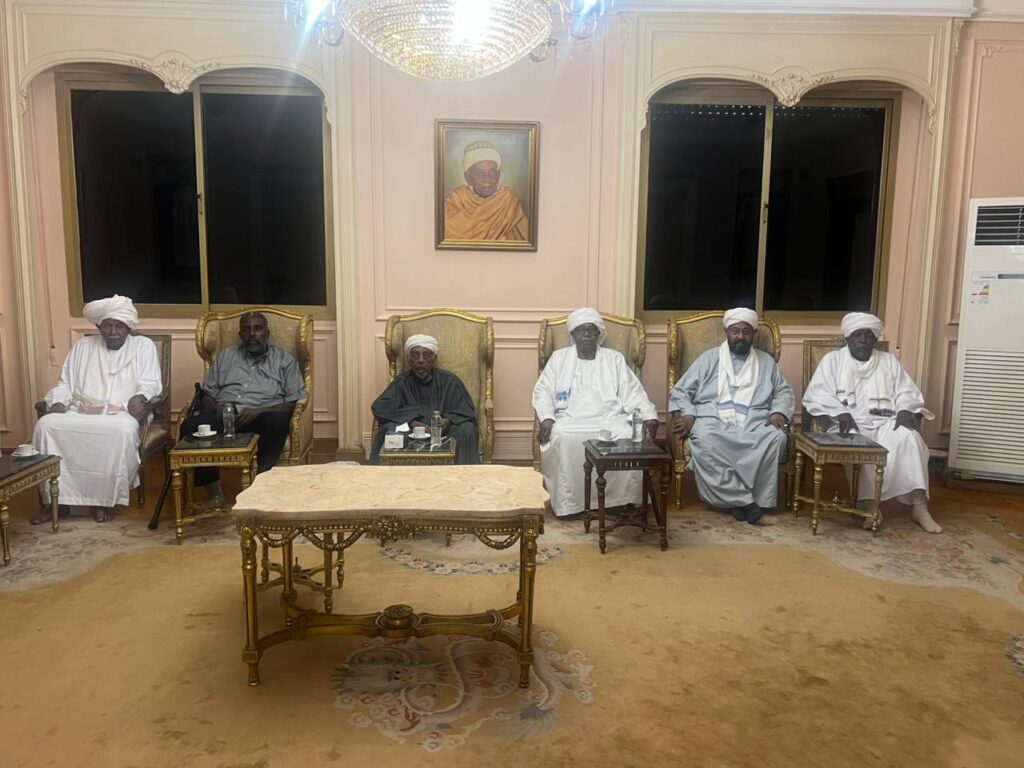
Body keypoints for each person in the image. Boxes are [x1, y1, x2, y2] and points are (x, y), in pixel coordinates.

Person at [802, 312, 941, 533]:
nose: (863, 340)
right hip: (849, 424)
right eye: (858, 335)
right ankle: (869, 505)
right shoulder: (833, 361)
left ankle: (919, 506)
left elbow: (906, 391)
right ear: (848, 338)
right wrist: (840, 412)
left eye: (868, 336)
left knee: (911, 439)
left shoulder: (888, 361)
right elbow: (818, 393)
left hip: (886, 422)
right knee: (859, 446)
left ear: (875, 339)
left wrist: (905, 410)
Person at [31, 294, 162, 523]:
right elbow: (65, 383)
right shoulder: (83, 346)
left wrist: (140, 397)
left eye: (119, 326)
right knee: (45, 425)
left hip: (121, 413)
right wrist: (58, 402)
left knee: (121, 430)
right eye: (107, 326)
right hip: (81, 411)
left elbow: (151, 383)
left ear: (128, 327)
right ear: (99, 327)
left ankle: (104, 500)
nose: (113, 332)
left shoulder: (143, 346)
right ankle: (55, 502)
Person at [669, 308, 794, 525]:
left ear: (754, 334)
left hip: (755, 420)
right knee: (704, 438)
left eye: (746, 332)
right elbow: (681, 391)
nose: (740, 336)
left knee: (776, 437)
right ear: (726, 332)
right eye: (735, 331)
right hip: (713, 419)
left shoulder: (766, 362)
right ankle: (746, 502)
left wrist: (778, 412)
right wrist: (688, 415)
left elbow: (783, 391)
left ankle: (736, 500)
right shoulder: (709, 359)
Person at [533, 308, 659, 519]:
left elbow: (633, 392)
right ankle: (570, 505)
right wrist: (546, 417)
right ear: (573, 334)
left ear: (598, 334)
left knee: (626, 435)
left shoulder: (614, 359)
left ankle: (620, 502)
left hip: (610, 420)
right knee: (562, 436)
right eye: (580, 330)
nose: (586, 334)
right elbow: (543, 391)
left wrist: (649, 414)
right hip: (570, 420)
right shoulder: (559, 358)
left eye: (591, 330)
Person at [181, 311, 306, 507]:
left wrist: (261, 411)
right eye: (247, 330)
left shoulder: (285, 360)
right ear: (240, 335)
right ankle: (214, 492)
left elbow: (293, 403)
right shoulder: (226, 357)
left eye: (258, 329)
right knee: (191, 426)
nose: (252, 334)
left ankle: (261, 482)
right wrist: (217, 408)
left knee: (278, 421)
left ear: (267, 334)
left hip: (262, 415)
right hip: (224, 414)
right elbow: (205, 395)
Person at [369, 334, 480, 464]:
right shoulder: (402, 383)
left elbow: (466, 409)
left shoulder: (449, 381)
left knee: (468, 429)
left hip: (444, 433)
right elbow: (380, 407)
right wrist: (412, 421)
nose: (421, 360)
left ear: (434, 358)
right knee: (391, 430)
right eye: (415, 355)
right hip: (411, 433)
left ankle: (465, 473)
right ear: (409, 360)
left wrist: (448, 420)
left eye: (426, 355)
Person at [444, 141, 529, 242]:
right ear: (467, 177)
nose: (487, 179)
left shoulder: (509, 202)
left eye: (492, 173)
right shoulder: (455, 202)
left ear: (498, 175)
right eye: (480, 174)